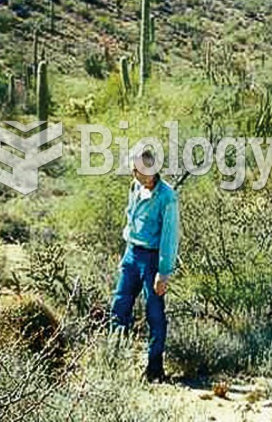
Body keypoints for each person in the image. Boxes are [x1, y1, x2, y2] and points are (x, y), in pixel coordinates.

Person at [110, 148, 179, 382]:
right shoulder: (135, 187)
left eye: (137, 169)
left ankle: (155, 368)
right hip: (132, 254)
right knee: (119, 306)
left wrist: (164, 272)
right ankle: (113, 360)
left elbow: (169, 237)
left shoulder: (167, 197)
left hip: (152, 260)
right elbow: (130, 216)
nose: (134, 173)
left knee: (154, 313)